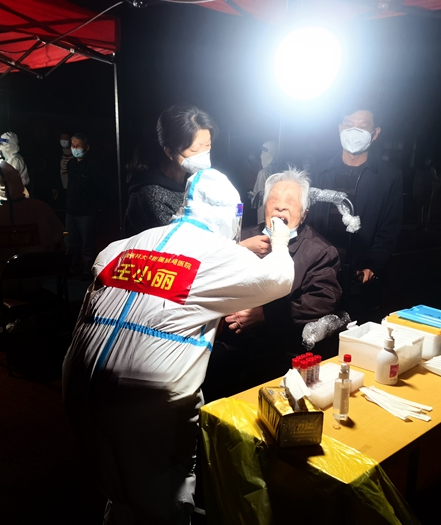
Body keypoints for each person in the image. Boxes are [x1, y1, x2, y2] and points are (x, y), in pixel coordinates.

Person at [62, 168, 294, 525]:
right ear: (231, 216)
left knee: (114, 483)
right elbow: (279, 277)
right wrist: (280, 240)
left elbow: (105, 271)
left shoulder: (125, 245)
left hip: (79, 382)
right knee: (162, 496)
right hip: (149, 399)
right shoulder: (220, 255)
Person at [206, 169, 342, 397]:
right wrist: (237, 249)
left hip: (279, 349)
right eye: (274, 199)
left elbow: (322, 301)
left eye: (290, 202)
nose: (280, 206)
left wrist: (265, 314)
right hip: (228, 343)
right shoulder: (241, 237)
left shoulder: (320, 251)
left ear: (304, 214)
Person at [311, 102, 403, 322]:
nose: (354, 130)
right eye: (349, 124)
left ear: (375, 133)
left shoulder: (388, 176)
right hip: (319, 276)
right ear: (340, 128)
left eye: (362, 126)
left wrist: (372, 265)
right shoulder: (320, 173)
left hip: (360, 279)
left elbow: (389, 227)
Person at [0, 160, 65, 350]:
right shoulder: (41, 207)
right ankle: (28, 323)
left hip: (3, 283)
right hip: (36, 279)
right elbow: (56, 234)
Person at [124, 105, 217, 237]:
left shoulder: (193, 180)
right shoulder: (152, 195)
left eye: (208, 146)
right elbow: (180, 242)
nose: (203, 154)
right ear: (169, 152)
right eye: (195, 150)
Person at [65, 133, 100, 277]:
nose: (74, 148)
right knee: (70, 241)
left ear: (86, 147)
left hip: (86, 211)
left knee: (87, 243)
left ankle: (88, 269)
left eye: (77, 146)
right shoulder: (71, 164)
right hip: (71, 210)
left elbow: (98, 187)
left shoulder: (93, 165)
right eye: (72, 145)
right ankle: (73, 267)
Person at [251, 140, 280, 224]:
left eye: (264, 153)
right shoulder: (280, 170)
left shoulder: (263, 173)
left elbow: (261, 200)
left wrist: (262, 222)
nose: (261, 156)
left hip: (265, 218)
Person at [413, 156, 437, 231]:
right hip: (421, 189)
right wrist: (415, 191)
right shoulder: (420, 170)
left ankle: (424, 224)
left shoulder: (431, 170)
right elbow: (416, 181)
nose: (428, 161)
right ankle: (420, 223)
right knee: (420, 208)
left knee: (426, 207)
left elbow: (435, 180)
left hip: (428, 189)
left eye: (429, 160)